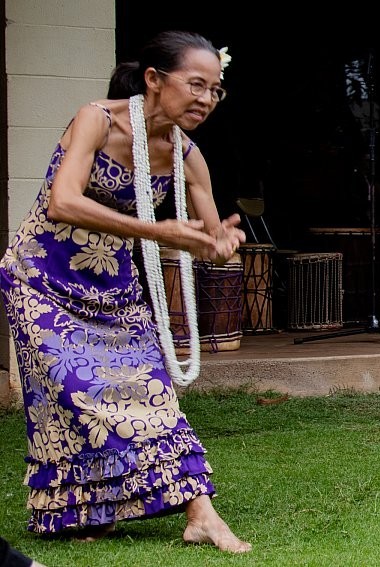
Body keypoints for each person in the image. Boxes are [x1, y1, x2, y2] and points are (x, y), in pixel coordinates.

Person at [0, 31, 251, 552]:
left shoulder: (187, 156)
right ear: (154, 81)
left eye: (216, 90)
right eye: (196, 85)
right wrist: (160, 232)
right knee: (76, 399)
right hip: (41, 280)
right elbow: (62, 203)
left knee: (151, 392)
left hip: (115, 290)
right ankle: (92, 509)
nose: (206, 99)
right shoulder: (97, 118)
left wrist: (221, 244)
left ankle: (199, 515)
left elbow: (205, 240)